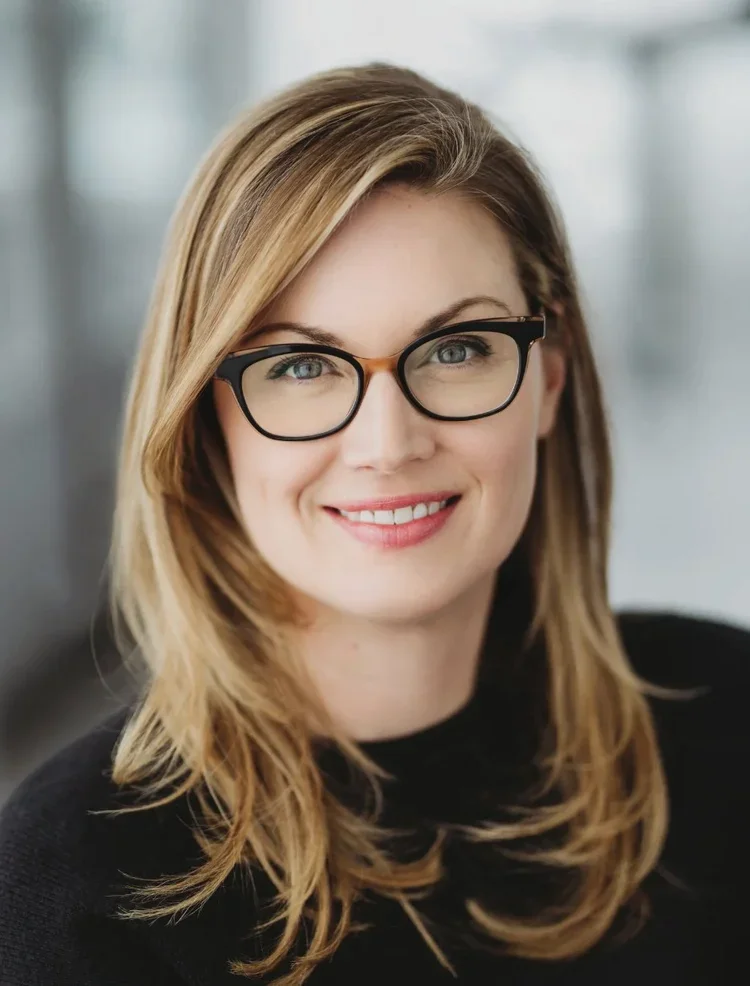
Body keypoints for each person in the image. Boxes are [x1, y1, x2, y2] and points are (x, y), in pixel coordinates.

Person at [0, 62, 748, 986]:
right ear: (208, 418)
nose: (387, 443)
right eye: (302, 367)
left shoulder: (725, 727)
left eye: (459, 348)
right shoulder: (76, 879)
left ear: (547, 377)